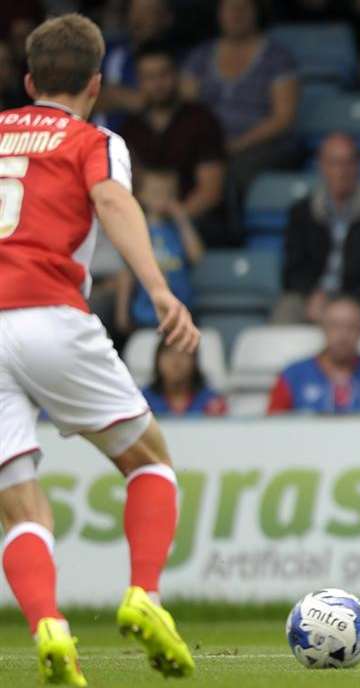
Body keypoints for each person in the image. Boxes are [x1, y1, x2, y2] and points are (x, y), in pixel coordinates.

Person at [0, 14, 198, 686]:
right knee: (150, 463)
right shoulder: (95, 139)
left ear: (28, 81)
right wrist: (160, 290)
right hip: (50, 313)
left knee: (18, 504)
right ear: (94, 83)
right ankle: (144, 593)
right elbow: (111, 201)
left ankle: (49, 627)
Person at [181, 0, 299, 229]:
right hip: (210, 144)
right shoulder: (200, 57)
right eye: (229, 8)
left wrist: (236, 145)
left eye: (243, 8)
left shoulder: (277, 57)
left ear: (256, 12)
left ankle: (233, 236)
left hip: (261, 145)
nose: (236, 15)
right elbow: (187, 108)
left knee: (232, 172)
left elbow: (283, 118)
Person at [272, 132, 360, 324]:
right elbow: (293, 270)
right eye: (334, 162)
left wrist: (342, 303)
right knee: (287, 309)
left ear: (358, 166)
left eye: (348, 162)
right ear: (321, 166)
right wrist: (313, 295)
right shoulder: (301, 212)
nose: (342, 171)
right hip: (315, 299)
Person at [120, 42, 228, 246]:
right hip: (142, 223)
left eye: (163, 74)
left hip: (194, 222)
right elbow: (126, 188)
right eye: (149, 77)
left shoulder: (202, 120)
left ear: (176, 75)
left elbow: (210, 191)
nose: (158, 84)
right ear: (139, 82)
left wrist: (174, 218)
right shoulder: (130, 128)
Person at [267, 295, 360, 414]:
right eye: (335, 326)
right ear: (323, 328)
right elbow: (270, 430)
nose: (343, 336)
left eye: (351, 327)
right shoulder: (293, 374)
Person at [115, 168, 204, 335]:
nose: (163, 198)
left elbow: (197, 257)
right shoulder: (137, 231)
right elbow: (127, 274)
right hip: (145, 315)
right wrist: (122, 313)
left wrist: (182, 219)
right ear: (141, 195)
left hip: (181, 312)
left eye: (168, 193)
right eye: (156, 192)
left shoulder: (177, 231)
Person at [95, 0, 177, 128]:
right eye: (135, 11)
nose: (139, 19)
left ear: (166, 18)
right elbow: (77, 100)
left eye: (148, 11)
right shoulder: (110, 53)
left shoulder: (180, 57)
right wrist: (118, 97)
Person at [142, 339, 227, 416]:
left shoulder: (212, 402)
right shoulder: (141, 402)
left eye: (183, 353)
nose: (176, 362)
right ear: (157, 361)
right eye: (169, 354)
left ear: (194, 361)